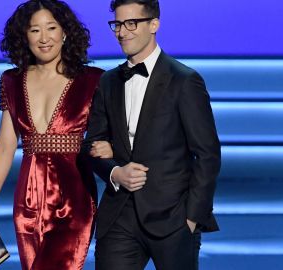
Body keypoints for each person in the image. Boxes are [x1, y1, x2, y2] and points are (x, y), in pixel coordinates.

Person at [83, 0, 221, 269]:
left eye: (131, 23)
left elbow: (207, 154)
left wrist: (191, 218)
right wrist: (115, 172)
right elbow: (91, 143)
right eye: (117, 24)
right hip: (119, 215)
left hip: (172, 217)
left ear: (154, 24)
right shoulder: (108, 81)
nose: (123, 32)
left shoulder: (184, 80)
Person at [0, 1, 105, 269]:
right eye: (35, 30)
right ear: (24, 36)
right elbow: (5, 147)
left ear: (65, 32)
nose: (44, 38)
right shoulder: (11, 81)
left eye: (51, 28)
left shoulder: (93, 79)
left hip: (74, 197)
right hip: (26, 201)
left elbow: (112, 134)